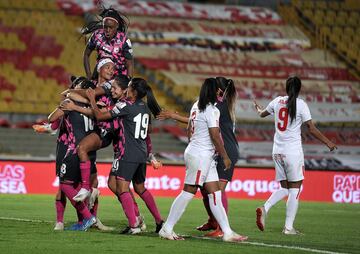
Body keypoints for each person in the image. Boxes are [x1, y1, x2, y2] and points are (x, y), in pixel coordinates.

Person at [158, 78, 247, 242]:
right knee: (188, 192)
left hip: (202, 154)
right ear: (214, 91)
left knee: (215, 194)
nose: (221, 94)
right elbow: (214, 135)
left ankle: (227, 232)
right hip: (201, 155)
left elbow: (190, 127)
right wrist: (226, 157)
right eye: (218, 91)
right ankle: (167, 228)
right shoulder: (212, 110)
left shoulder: (197, 105)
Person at [253, 76, 337, 235]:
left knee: (285, 188)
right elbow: (311, 129)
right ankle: (288, 228)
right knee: (295, 189)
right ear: (299, 89)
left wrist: (258, 108)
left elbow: (262, 114)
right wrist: (328, 142)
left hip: (277, 151)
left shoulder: (277, 101)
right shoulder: (301, 104)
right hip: (292, 152)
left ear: (286, 88)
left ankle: (265, 208)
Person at [86, 77, 163, 234]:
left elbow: (100, 117)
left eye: (128, 87)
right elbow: (148, 132)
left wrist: (92, 99)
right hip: (141, 153)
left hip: (127, 152)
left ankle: (134, 225)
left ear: (133, 91)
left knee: (122, 188)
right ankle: (159, 221)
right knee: (138, 188)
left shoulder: (126, 105)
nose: (126, 89)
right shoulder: (145, 108)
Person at [49, 77, 98, 231]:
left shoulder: (70, 103)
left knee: (64, 184)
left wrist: (65, 103)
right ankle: (85, 219)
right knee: (77, 186)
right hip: (89, 152)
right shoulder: (95, 106)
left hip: (73, 149)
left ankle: (88, 218)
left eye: (77, 84)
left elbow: (51, 118)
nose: (74, 85)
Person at [82, 7, 133, 80]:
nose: (107, 30)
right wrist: (88, 75)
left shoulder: (124, 40)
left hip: (118, 79)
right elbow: (86, 54)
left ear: (117, 26)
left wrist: (128, 83)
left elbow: (129, 64)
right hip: (100, 76)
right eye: (105, 27)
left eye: (111, 27)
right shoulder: (97, 35)